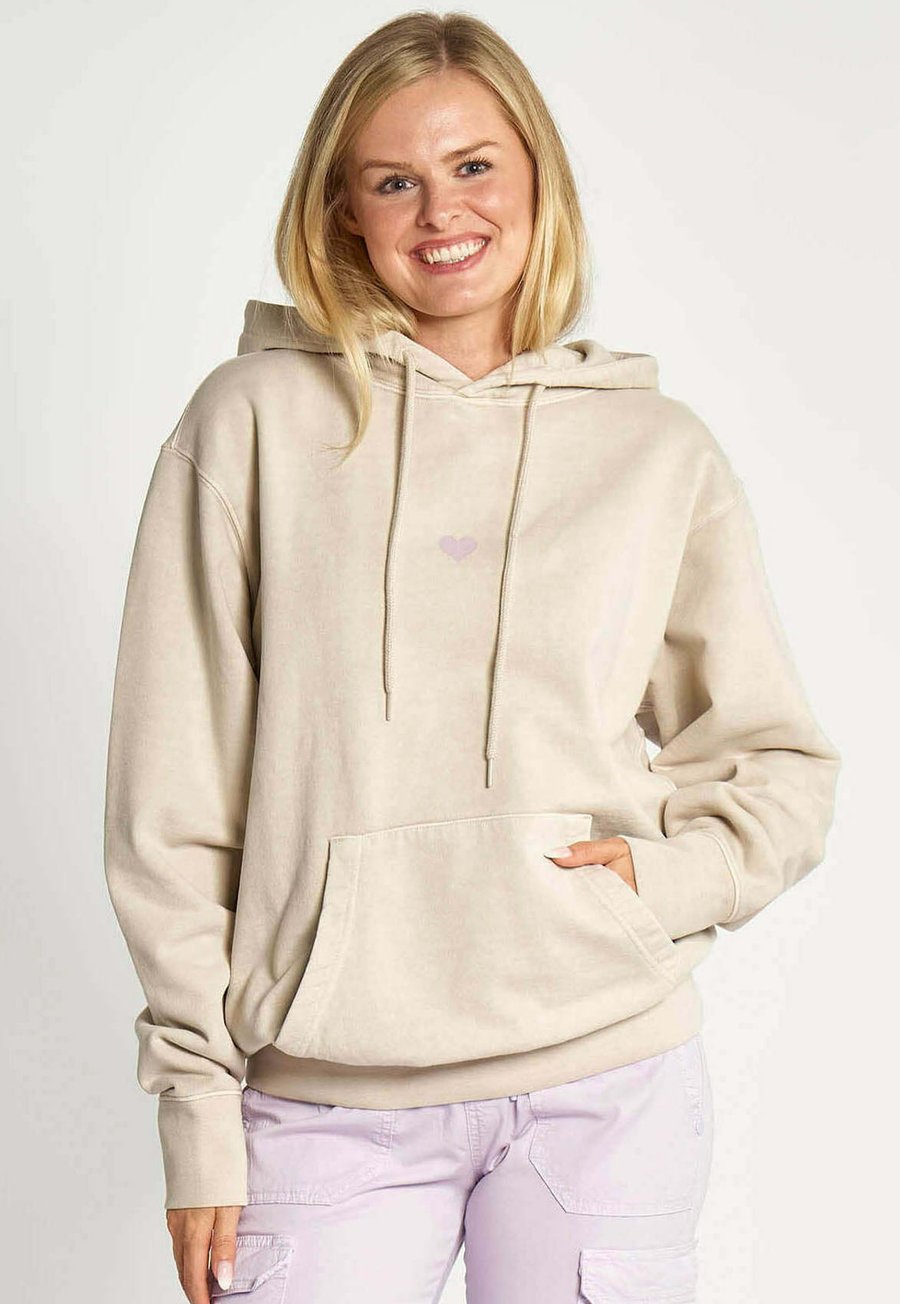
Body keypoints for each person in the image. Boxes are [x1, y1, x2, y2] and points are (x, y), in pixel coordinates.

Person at [102, 11, 841, 1304]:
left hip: (604, 1083)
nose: (442, 210)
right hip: (324, 1100)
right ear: (342, 212)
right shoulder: (249, 425)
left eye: (475, 165)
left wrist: (664, 883)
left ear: (537, 176)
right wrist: (197, 1110)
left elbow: (776, 759)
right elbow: (171, 807)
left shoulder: (656, 450)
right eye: (394, 180)